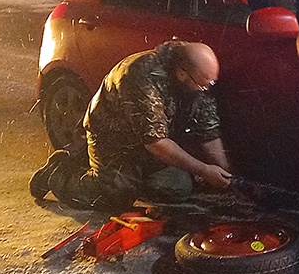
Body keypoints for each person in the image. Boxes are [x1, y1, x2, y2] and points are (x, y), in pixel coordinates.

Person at [32, 41, 233, 211]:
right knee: (114, 196)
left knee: (177, 188)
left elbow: (209, 134)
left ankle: (115, 173)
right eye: (203, 84)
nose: (206, 89)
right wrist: (204, 170)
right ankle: (59, 173)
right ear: (182, 74)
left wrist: (225, 175)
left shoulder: (197, 81)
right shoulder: (141, 75)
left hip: (147, 145)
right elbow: (156, 142)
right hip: (112, 141)